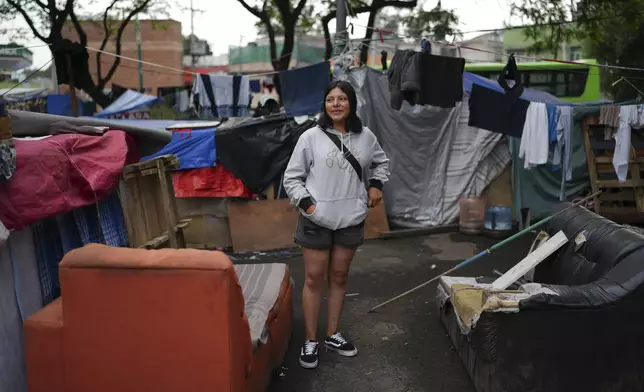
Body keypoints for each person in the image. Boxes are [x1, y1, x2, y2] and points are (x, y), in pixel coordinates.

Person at [283, 80, 390, 369]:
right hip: (316, 220)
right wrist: (309, 205)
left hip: (350, 218)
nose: (336, 104)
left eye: (342, 98)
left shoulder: (366, 137)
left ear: (351, 103)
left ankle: (331, 334)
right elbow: (291, 177)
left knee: (340, 277)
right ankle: (310, 340)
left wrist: (376, 186)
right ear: (325, 105)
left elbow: (381, 163)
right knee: (314, 279)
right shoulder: (310, 138)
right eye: (330, 99)